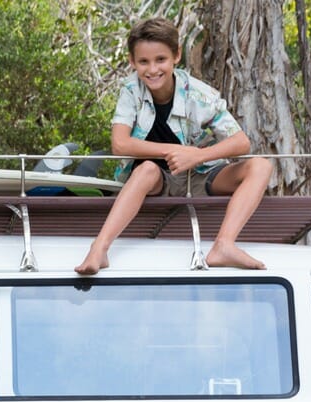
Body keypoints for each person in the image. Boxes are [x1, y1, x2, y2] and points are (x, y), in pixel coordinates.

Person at [75, 17, 274, 274]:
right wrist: (173, 152)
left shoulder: (199, 95)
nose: (152, 69)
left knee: (260, 166)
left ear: (176, 56)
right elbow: (120, 144)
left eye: (161, 60)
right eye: (143, 62)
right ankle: (99, 248)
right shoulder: (130, 91)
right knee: (146, 168)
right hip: (157, 180)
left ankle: (223, 245)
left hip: (201, 175)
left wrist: (196, 156)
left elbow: (241, 142)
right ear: (132, 62)